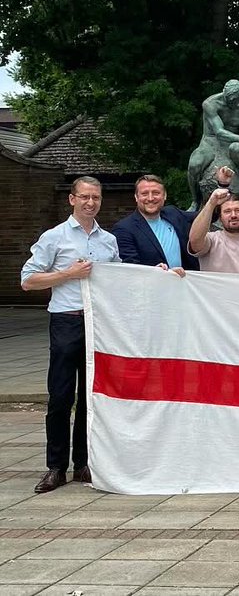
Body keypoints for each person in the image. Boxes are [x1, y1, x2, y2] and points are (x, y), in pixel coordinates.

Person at [20, 177, 120, 492]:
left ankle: (84, 464)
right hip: (66, 320)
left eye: (96, 198)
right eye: (85, 197)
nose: (91, 203)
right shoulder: (54, 237)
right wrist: (68, 274)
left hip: (97, 324)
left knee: (91, 397)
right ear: (72, 199)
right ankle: (55, 467)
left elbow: (119, 278)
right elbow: (27, 280)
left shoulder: (108, 241)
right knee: (61, 396)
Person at [186, 79, 239, 211]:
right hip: (210, 142)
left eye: (233, 101)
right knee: (194, 164)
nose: (229, 103)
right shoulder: (210, 103)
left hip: (232, 143)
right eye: (227, 99)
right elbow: (218, 131)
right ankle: (195, 200)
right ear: (223, 91)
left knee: (237, 148)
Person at [113, 174, 198, 271]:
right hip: (152, 280)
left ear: (164, 195)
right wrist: (155, 271)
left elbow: (202, 217)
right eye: (144, 194)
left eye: (156, 193)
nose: (150, 198)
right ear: (136, 197)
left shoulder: (173, 213)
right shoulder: (123, 229)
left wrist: (212, 201)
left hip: (184, 279)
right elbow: (130, 268)